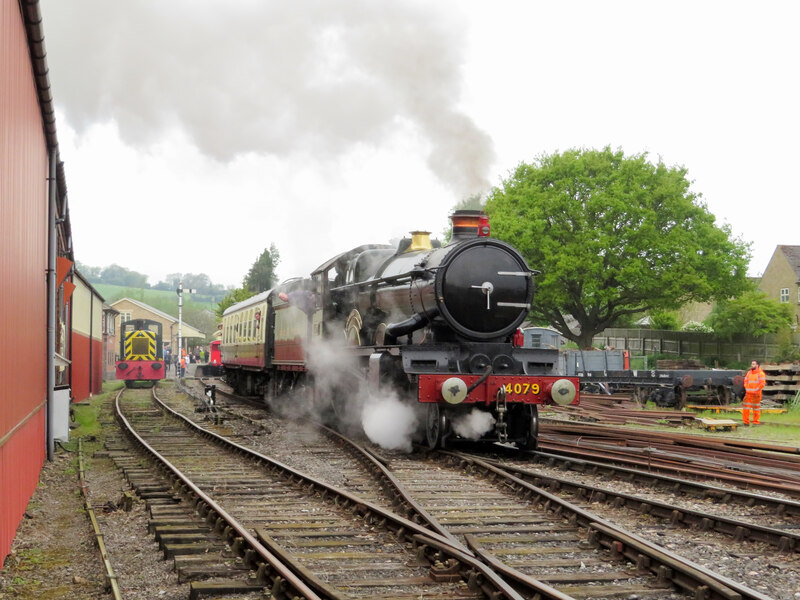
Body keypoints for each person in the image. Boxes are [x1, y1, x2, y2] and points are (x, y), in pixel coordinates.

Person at [742, 360, 766, 426]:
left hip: (756, 394)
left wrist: (756, 390)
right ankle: (746, 422)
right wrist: (747, 388)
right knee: (746, 408)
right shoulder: (749, 373)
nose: (752, 365)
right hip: (748, 394)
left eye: (753, 364)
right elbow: (745, 381)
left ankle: (755, 422)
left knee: (756, 409)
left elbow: (762, 384)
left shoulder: (761, 374)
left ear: (757, 365)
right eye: (751, 364)